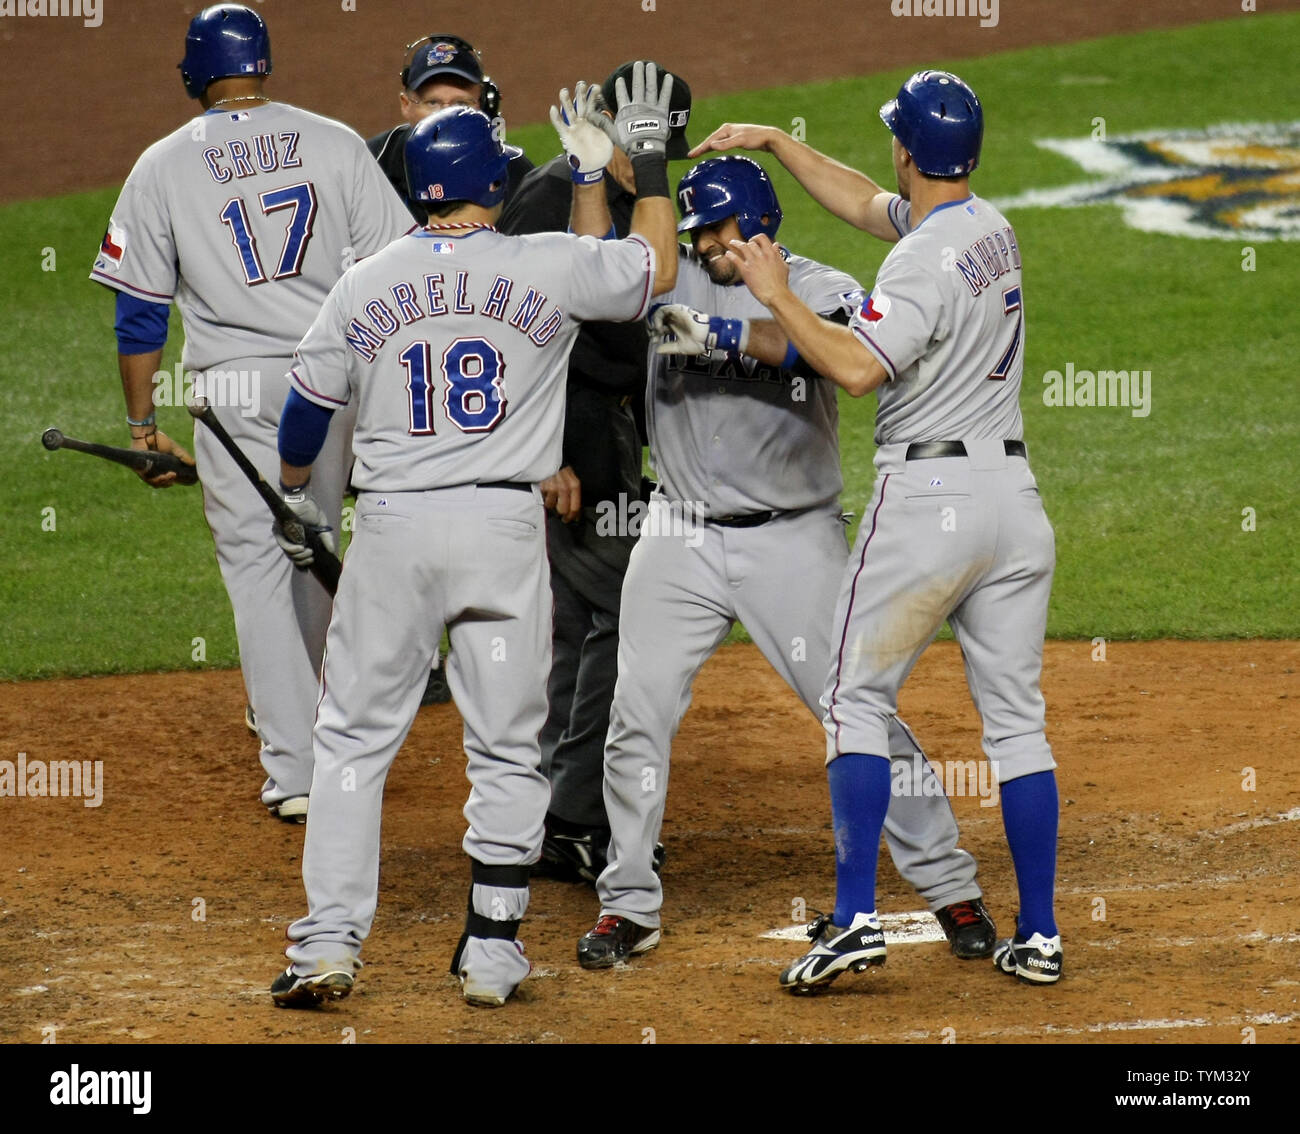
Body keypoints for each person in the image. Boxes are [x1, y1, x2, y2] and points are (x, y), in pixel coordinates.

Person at [267, 68, 681, 1009]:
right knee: (505, 746)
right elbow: (645, 270)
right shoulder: (541, 263)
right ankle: (493, 952)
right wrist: (626, 166)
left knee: (350, 746)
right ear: (494, 185)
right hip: (502, 531)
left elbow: (304, 417)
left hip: (395, 529)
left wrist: (298, 498)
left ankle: (328, 944)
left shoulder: (362, 284)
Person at [572, 154, 996, 970]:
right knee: (637, 717)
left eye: (719, 232)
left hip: (792, 541)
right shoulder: (668, 275)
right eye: (695, 232)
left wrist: (722, 328)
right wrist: (600, 176)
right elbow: (596, 280)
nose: (704, 246)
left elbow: (816, 354)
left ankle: (949, 884)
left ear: (760, 225)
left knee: (856, 709)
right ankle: (627, 904)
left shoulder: (826, 287)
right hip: (679, 534)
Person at [710, 71, 1061, 989]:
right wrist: (778, 143)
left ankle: (855, 917)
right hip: (1013, 503)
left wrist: (774, 290)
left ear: (907, 149)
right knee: (1017, 728)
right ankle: (1044, 934)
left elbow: (855, 370)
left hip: (929, 505)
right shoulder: (988, 229)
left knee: (855, 700)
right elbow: (867, 205)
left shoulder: (917, 265)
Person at [89, 3, 413, 823]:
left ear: (196, 71)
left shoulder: (161, 164)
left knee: (257, 569)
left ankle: (297, 771)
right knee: (313, 541)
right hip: (330, 376)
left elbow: (139, 313)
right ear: (263, 63)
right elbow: (397, 273)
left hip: (234, 391)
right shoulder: (333, 140)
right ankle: (332, 739)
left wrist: (140, 426)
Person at [497, 61, 692, 884]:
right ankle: (578, 815)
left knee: (582, 628)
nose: (651, 161)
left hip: (608, 439)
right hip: (572, 441)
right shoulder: (548, 200)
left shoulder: (640, 195)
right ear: (607, 124)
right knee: (629, 611)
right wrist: (550, 455)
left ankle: (559, 817)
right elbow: (515, 335)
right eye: (641, 143)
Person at [368, 33, 534, 224]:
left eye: (461, 103)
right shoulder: (372, 164)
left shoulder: (515, 171)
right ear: (406, 104)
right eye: (432, 103)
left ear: (484, 104)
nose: (446, 116)